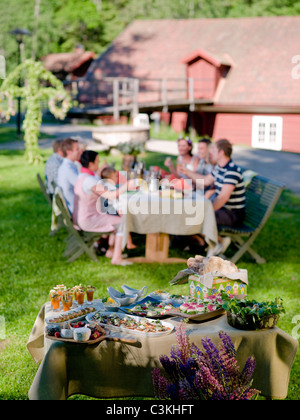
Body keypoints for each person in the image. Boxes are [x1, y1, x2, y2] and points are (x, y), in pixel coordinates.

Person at [180, 139, 246, 256]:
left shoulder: (232, 171)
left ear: (221, 152)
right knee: (194, 213)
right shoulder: (220, 168)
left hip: (233, 214)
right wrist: (186, 171)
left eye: (214, 150)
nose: (211, 153)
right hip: (223, 210)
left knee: (199, 215)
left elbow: (223, 198)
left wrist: (207, 210)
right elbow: (205, 180)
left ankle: (215, 243)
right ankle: (217, 241)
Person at [73, 151, 133, 266]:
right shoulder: (89, 181)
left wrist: (100, 171)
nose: (99, 162)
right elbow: (109, 195)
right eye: (97, 161)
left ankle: (111, 251)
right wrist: (127, 186)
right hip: (88, 220)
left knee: (114, 217)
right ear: (91, 164)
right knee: (123, 222)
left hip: (81, 217)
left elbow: (99, 182)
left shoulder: (83, 176)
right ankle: (117, 258)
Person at [101, 166, 137, 250]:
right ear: (110, 178)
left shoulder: (104, 186)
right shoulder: (112, 188)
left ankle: (111, 249)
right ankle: (129, 243)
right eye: (115, 176)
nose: (117, 177)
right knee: (125, 221)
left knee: (114, 232)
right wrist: (121, 213)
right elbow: (116, 204)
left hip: (106, 212)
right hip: (113, 212)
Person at [57, 138, 81, 214]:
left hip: (75, 205)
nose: (80, 151)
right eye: (77, 149)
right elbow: (82, 187)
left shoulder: (69, 165)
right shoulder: (68, 168)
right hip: (75, 210)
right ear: (68, 152)